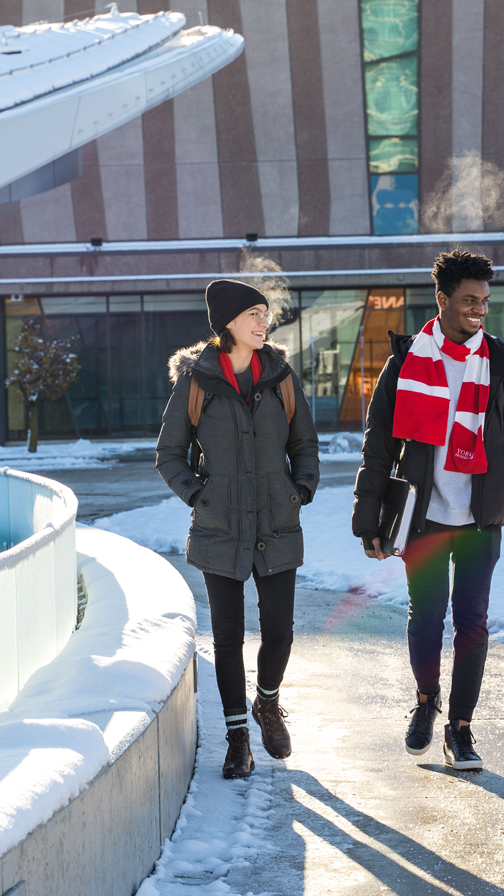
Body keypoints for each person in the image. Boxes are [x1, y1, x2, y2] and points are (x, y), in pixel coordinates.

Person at [352, 249, 504, 770]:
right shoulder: (406, 360)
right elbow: (379, 445)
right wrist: (367, 518)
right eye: (468, 301)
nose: (479, 310)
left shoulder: (502, 364)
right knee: (426, 619)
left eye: (484, 301)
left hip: (481, 519)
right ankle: (425, 702)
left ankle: (460, 727)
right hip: (424, 515)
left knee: (473, 624)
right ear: (442, 299)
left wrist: (502, 473)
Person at [156, 279, 319, 779]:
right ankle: (237, 738)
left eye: (265, 313)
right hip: (219, 525)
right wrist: (199, 495)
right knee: (227, 638)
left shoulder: (282, 377)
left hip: (276, 522)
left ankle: (267, 704)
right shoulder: (198, 382)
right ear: (227, 322)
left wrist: (300, 490)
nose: (263, 321)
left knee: (281, 633)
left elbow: (305, 445)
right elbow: (169, 455)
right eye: (253, 313)